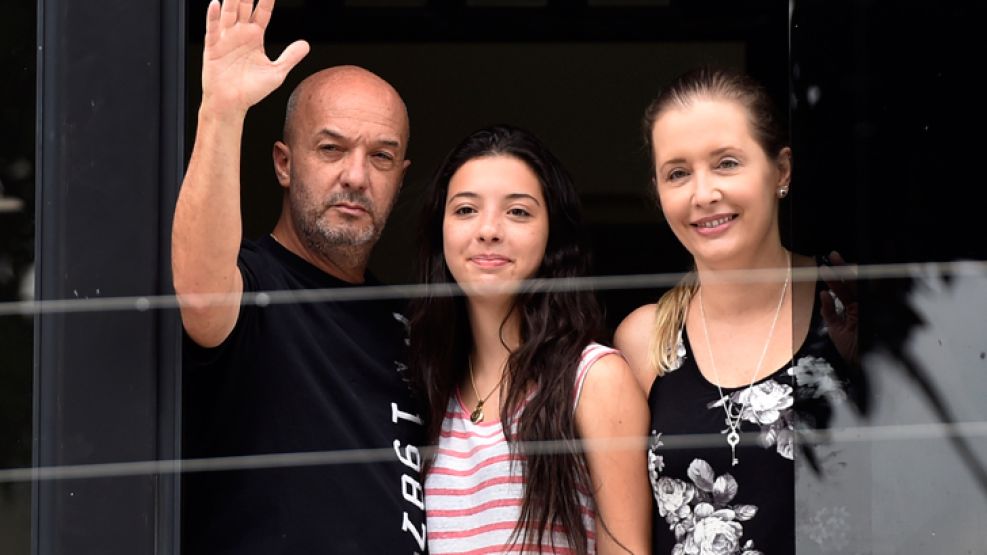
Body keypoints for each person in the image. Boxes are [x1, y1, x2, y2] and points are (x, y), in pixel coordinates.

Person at [172, 1, 426, 553]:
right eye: (331, 150)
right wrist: (221, 111)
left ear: (400, 179)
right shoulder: (252, 283)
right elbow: (199, 293)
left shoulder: (412, 323)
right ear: (284, 163)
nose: (356, 176)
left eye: (381, 157)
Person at [615, 67, 859, 554]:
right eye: (678, 173)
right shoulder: (646, 340)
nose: (703, 194)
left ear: (782, 171)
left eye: (727, 163)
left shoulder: (845, 307)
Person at [409, 125, 652, 554]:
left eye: (518, 212)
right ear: (440, 230)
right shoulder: (426, 390)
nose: (488, 230)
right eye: (465, 210)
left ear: (552, 234)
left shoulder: (592, 378)